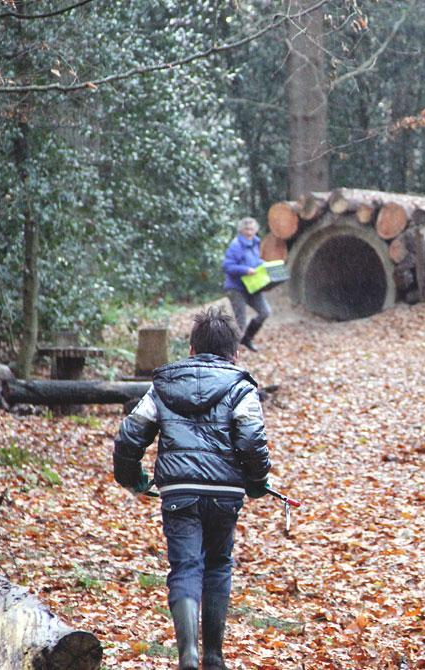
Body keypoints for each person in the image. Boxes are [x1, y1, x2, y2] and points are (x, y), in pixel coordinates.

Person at [113, 307, 272, 670]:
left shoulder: (163, 386)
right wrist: (258, 482)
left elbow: (130, 435)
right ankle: (214, 657)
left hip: (179, 492)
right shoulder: (241, 386)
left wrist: (131, 477)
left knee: (185, 567)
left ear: (191, 349)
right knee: (217, 564)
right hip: (225, 493)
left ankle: (188, 655)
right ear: (235, 352)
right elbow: (251, 439)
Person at [223, 217, 271, 352]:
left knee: (265, 312)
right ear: (241, 230)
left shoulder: (255, 243)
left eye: (252, 228)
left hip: (253, 286)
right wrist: (245, 270)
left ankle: (247, 339)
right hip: (236, 287)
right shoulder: (236, 245)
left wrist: (263, 265)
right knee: (240, 321)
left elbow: (254, 261)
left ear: (256, 230)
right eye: (246, 229)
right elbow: (227, 266)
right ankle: (229, 350)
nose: (250, 231)